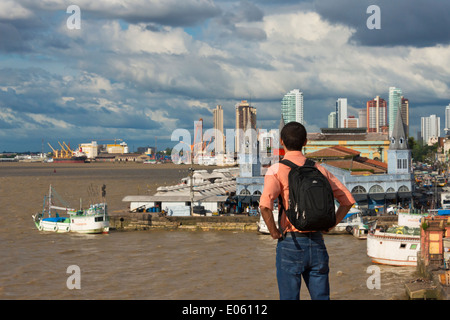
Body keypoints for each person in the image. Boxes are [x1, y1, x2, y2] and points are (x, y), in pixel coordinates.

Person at [259, 122, 355, 300]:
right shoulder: (319, 169)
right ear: (305, 142)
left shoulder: (276, 170)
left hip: (290, 243)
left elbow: (265, 206)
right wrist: (331, 225)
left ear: (281, 142)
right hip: (317, 242)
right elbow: (347, 200)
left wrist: (273, 232)